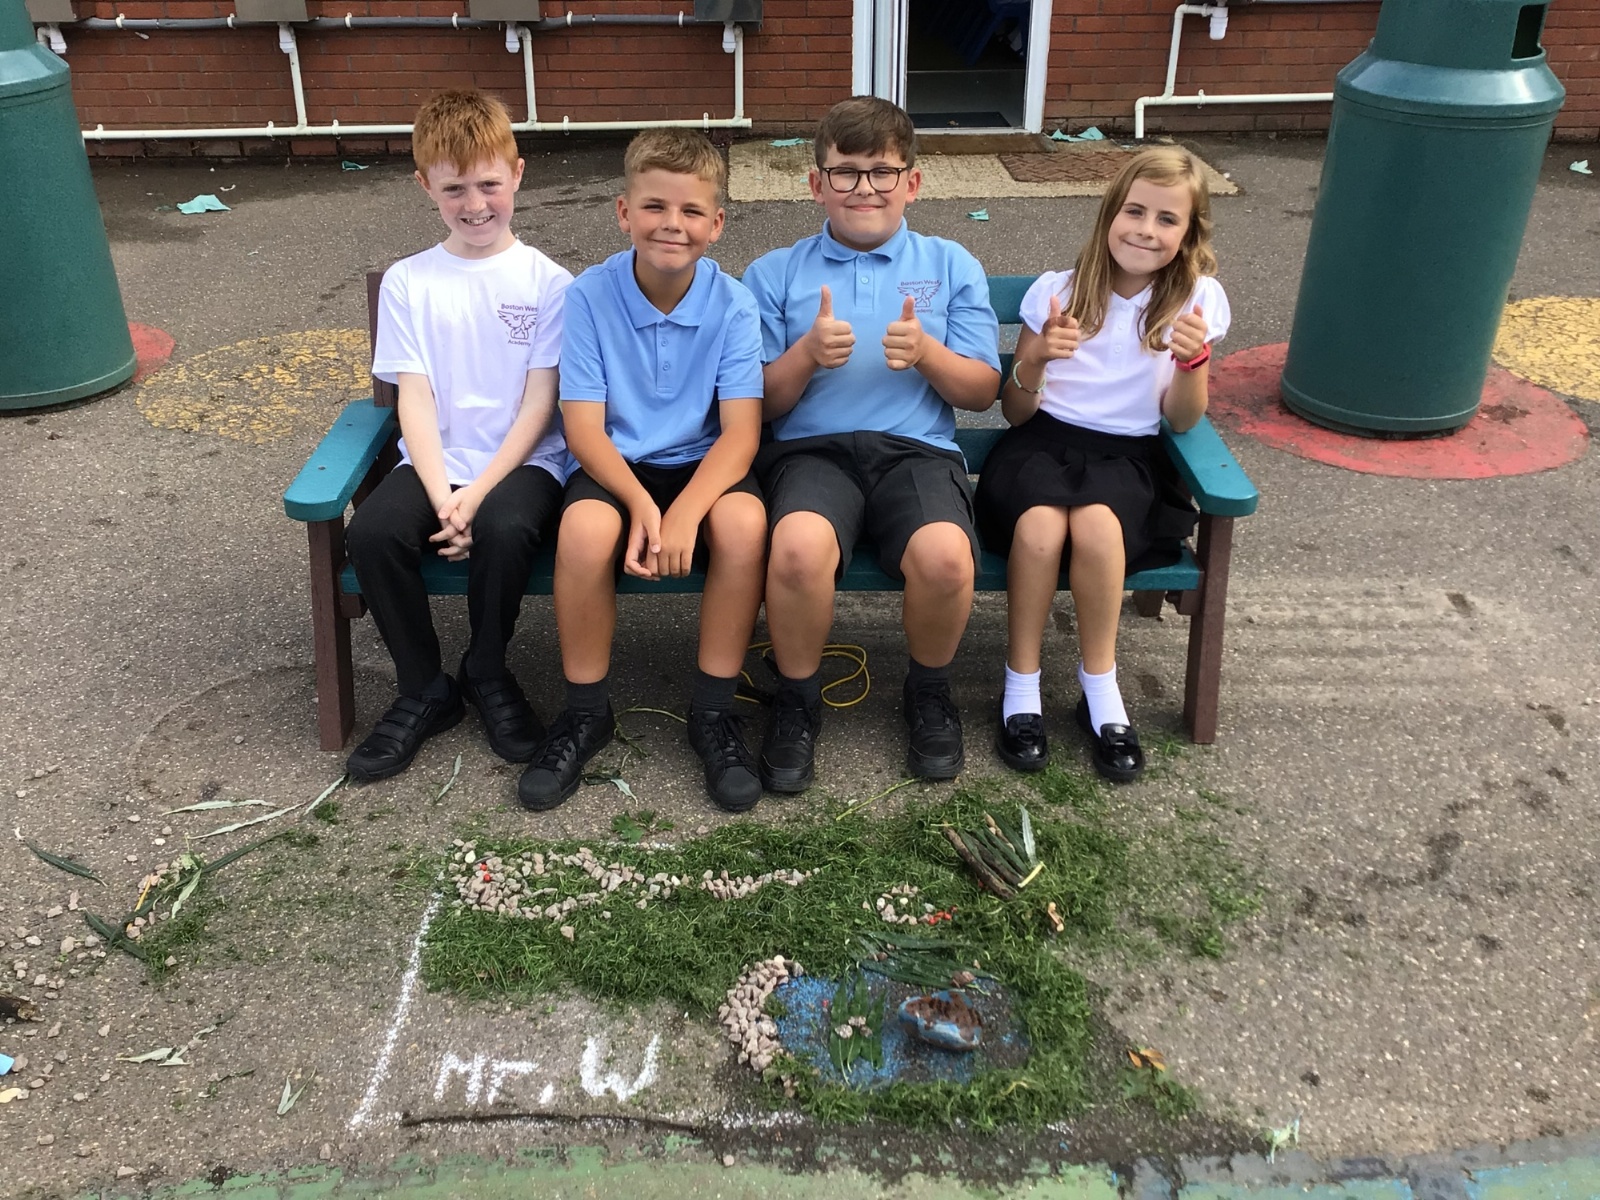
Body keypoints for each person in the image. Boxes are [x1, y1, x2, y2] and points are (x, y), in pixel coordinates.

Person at [744, 96, 1002, 793]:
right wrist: (803, 355)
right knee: (797, 550)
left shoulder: (950, 264)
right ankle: (797, 698)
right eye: (846, 172)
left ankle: (929, 690)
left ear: (911, 182)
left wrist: (928, 354)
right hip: (812, 453)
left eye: (882, 172)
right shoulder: (775, 273)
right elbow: (757, 404)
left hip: (916, 452)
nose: (865, 188)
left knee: (946, 558)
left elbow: (982, 391)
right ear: (816, 183)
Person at [518, 129, 768, 814]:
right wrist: (641, 505)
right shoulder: (589, 297)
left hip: (702, 464)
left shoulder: (734, 304)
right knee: (584, 534)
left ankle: (713, 711)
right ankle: (584, 711)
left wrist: (683, 511)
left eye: (691, 211)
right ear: (624, 213)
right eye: (654, 206)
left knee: (744, 526)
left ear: (717, 224)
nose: (671, 224)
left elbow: (741, 434)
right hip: (616, 463)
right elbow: (583, 429)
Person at [974, 145, 1230, 782]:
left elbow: (1181, 421)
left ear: (1188, 233)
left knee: (1096, 527)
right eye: (1134, 211)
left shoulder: (1197, 300)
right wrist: (1036, 360)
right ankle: (1021, 685)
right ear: (1110, 213)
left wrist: (1193, 364)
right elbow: (1016, 413)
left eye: (1167, 219)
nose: (1146, 229)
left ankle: (1101, 688)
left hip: (1129, 456)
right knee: (1039, 528)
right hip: (1041, 446)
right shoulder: (1058, 292)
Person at [342, 88, 572, 783]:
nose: (475, 204)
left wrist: (476, 497)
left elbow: (540, 404)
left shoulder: (549, 283)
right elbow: (413, 396)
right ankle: (424, 689)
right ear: (426, 186)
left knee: (505, 526)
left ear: (518, 174)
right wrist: (444, 493)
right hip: (436, 461)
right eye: (454, 189)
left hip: (524, 462)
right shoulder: (410, 283)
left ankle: (487, 667)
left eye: (489, 185)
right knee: (373, 532)